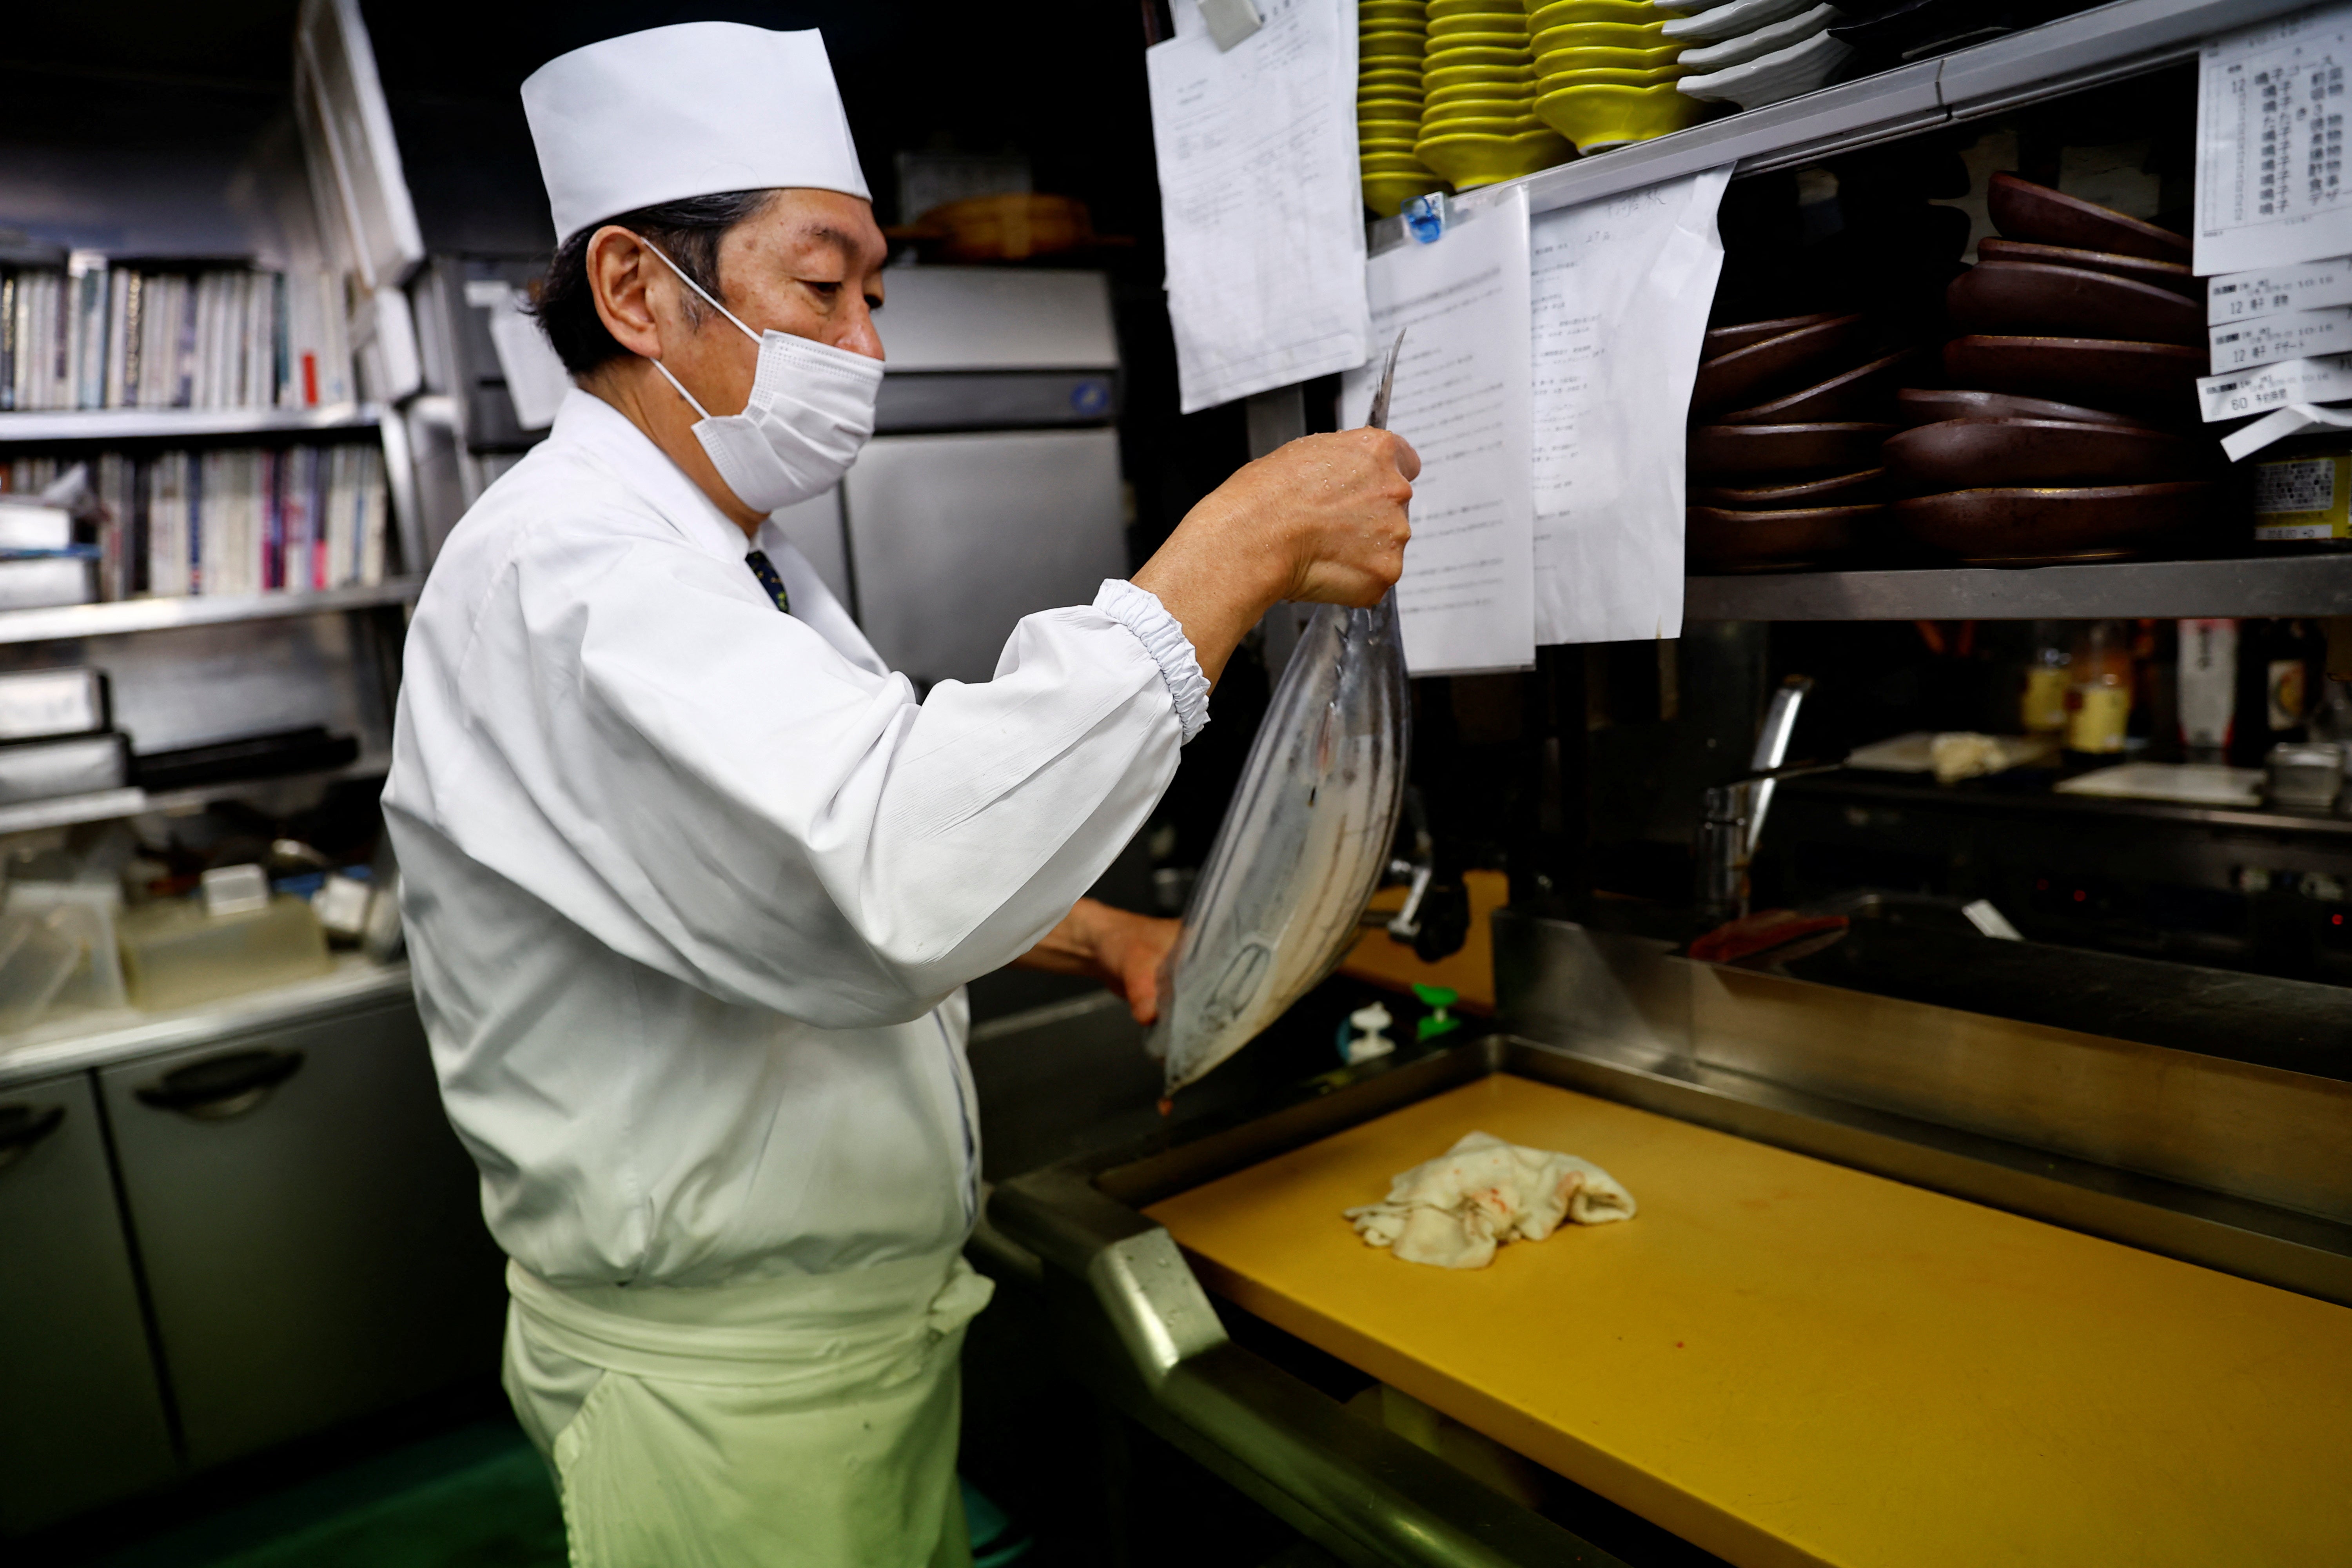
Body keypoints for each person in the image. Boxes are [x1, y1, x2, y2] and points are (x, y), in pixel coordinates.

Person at [382, 20, 1415, 1568]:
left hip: (840, 1353)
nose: (866, 346)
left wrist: (1098, 938)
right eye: (821, 286)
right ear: (634, 289)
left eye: (875, 295)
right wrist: (1238, 547)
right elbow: (886, 867)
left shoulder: (729, 556)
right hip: (732, 1404)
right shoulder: (569, 574)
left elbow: (788, 859)